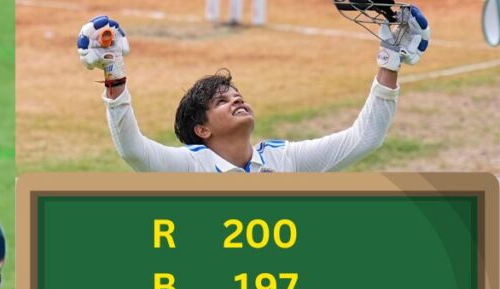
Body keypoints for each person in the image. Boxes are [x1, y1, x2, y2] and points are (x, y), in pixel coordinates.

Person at [76, 8, 431, 173]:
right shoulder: (189, 169)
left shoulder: (284, 160)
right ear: (202, 130)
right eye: (221, 100)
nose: (236, 99)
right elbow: (133, 150)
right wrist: (114, 69)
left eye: (235, 94)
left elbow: (364, 138)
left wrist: (390, 60)